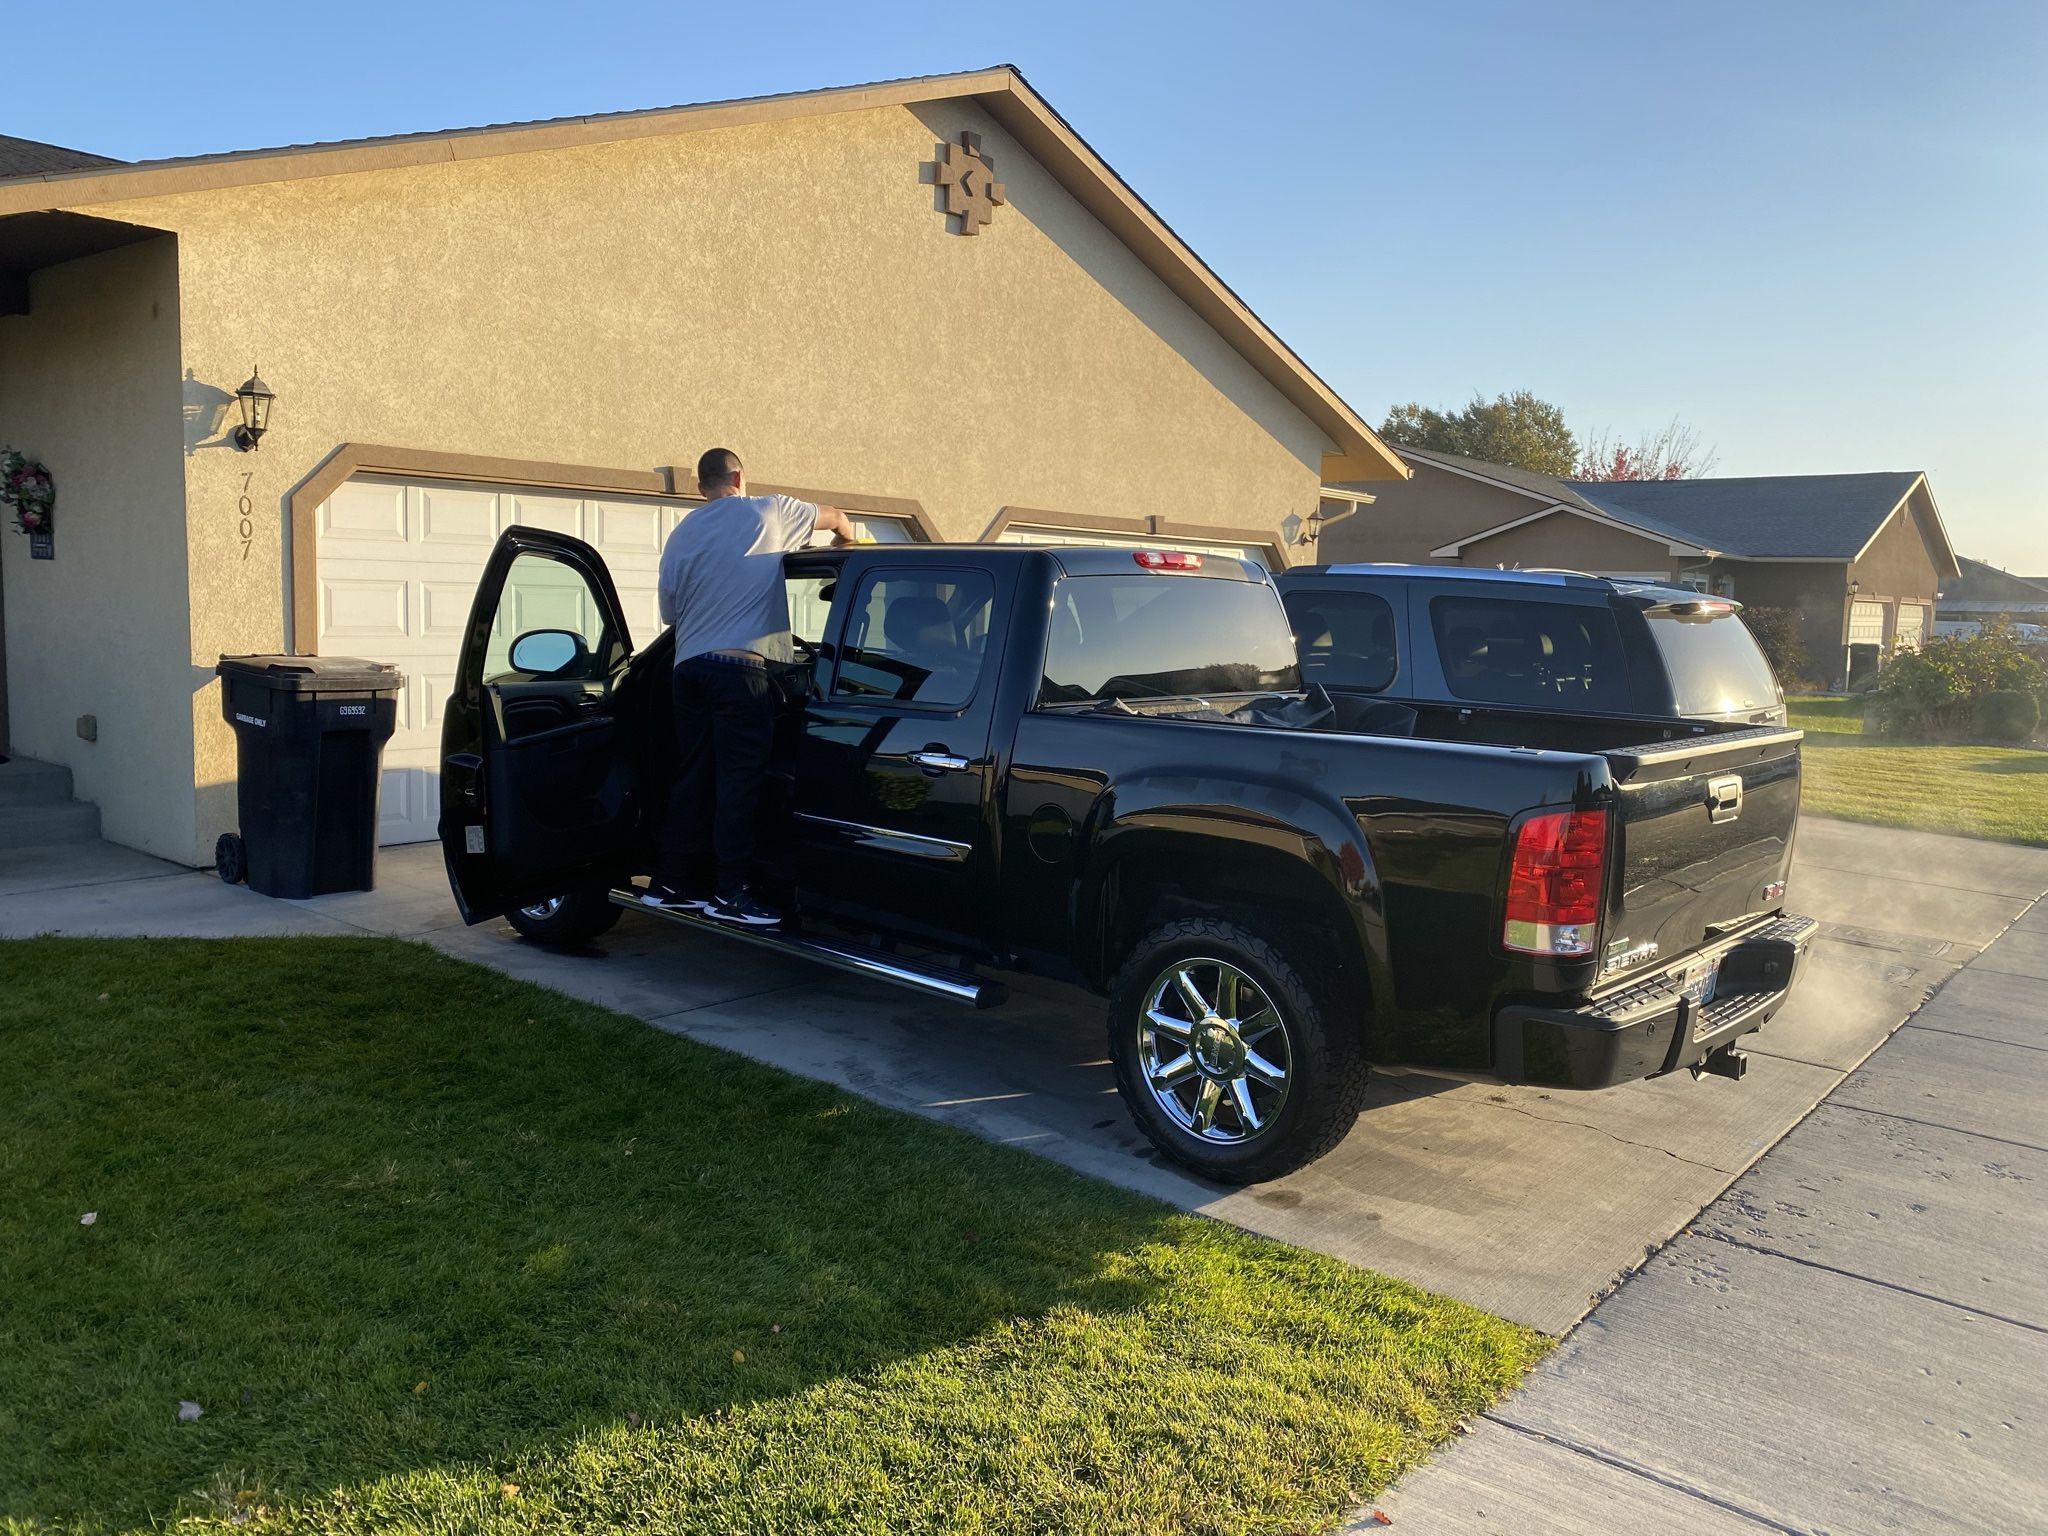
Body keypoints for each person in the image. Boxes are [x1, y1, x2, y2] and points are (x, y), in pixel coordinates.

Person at [644, 448, 855, 926]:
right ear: (740, 476)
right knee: (740, 784)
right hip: (740, 672)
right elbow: (838, 518)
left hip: (688, 671)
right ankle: (732, 892)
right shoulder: (770, 510)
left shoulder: (682, 534)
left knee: (693, 777)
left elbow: (672, 615)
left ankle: (671, 883)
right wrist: (850, 544)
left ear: (702, 487)